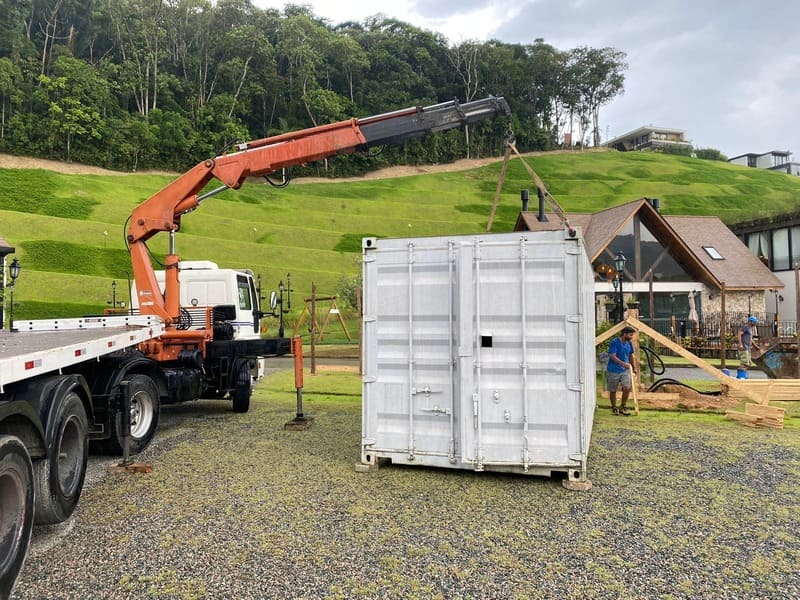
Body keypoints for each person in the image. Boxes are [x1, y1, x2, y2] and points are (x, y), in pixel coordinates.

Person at [606, 326, 637, 416]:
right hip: (613, 370)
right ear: (625, 334)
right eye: (630, 335)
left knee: (627, 388)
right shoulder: (615, 342)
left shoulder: (629, 344)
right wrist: (622, 363)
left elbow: (630, 356)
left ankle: (623, 406)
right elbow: (613, 356)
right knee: (613, 390)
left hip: (625, 370)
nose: (631, 337)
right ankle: (614, 407)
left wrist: (634, 367)